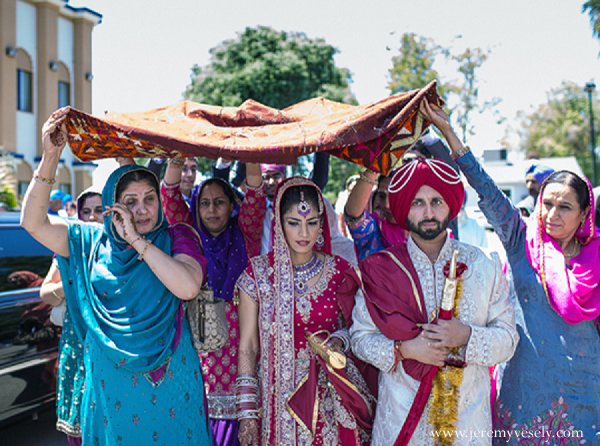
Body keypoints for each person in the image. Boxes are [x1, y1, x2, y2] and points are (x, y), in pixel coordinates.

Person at [21, 111, 212, 445]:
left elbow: (187, 286)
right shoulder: (89, 242)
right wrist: (51, 156)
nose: (141, 210)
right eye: (130, 202)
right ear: (111, 205)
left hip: (170, 380)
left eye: (149, 199)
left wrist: (137, 241)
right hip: (111, 387)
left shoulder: (177, 237)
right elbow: (33, 223)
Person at [421, 100, 600, 444]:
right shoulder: (523, 242)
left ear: (582, 215)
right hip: (524, 393)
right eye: (547, 204)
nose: (552, 215)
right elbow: (486, 190)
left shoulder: (597, 257)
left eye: (565, 207)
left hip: (586, 394)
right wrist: (448, 132)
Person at [342, 155, 518, 445]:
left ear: (451, 205)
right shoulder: (381, 269)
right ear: (403, 209)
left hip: (467, 424)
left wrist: (466, 337)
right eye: (417, 202)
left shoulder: (483, 265)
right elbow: (360, 338)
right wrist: (405, 350)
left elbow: (508, 341)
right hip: (401, 421)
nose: (428, 212)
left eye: (437, 201)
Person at [235, 177, 373, 446]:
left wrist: (337, 342)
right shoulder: (258, 276)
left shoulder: (339, 273)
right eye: (294, 223)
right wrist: (247, 414)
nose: (303, 233)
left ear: (322, 224)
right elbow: (248, 348)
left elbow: (359, 331)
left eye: (311, 223)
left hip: (330, 404)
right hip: (276, 406)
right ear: (278, 223)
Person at [161, 158, 265, 446]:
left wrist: (251, 152)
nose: (211, 209)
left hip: (243, 349)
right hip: (199, 354)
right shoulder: (188, 234)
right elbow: (169, 194)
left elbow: (256, 195)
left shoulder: (246, 234)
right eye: (204, 203)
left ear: (232, 206)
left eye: (219, 202)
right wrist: (176, 157)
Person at [39, 187, 103, 445]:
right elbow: (45, 293)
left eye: (98, 210)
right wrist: (73, 280)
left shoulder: (124, 247)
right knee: (78, 421)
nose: (91, 217)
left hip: (110, 344)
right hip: (77, 342)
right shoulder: (68, 248)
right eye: (85, 211)